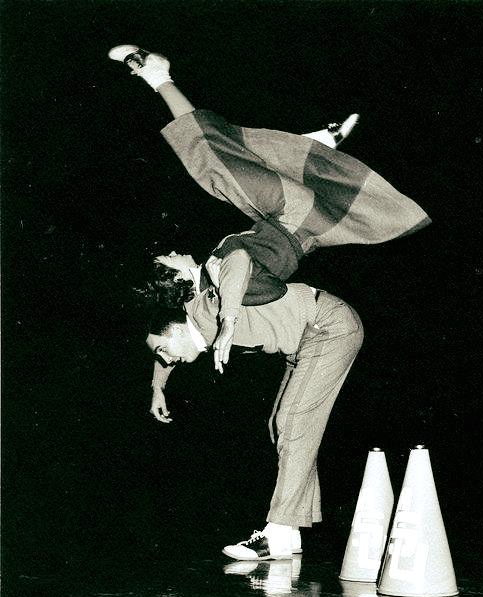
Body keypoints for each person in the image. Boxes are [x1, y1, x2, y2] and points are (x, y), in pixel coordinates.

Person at [108, 45, 431, 305]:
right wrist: (230, 303)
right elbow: (274, 291)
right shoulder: (218, 283)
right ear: (173, 278)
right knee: (211, 162)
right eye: (166, 259)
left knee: (225, 165)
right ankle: (157, 74)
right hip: (293, 217)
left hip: (295, 221)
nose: (171, 252)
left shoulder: (211, 272)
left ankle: (312, 147)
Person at [144, 247, 364, 561]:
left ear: (178, 329)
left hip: (327, 326)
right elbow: (164, 345)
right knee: (279, 425)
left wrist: (229, 321)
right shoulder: (193, 320)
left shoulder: (203, 305)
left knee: (292, 421)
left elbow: (238, 257)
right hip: (303, 344)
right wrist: (158, 387)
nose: (167, 360)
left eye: (163, 351)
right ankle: (290, 532)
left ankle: (277, 533)